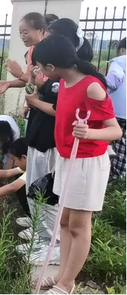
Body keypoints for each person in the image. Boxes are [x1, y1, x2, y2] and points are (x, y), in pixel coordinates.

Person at [31, 34, 122, 294]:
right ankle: (61, 275)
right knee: (64, 221)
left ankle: (68, 283)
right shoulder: (64, 82)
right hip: (67, 159)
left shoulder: (92, 86)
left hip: (87, 163)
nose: (39, 70)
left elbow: (115, 131)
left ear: (51, 67)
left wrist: (90, 134)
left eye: (40, 66)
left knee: (78, 226)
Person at [22, 17, 96, 265]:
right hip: (38, 137)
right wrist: (32, 83)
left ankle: (52, 243)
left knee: (50, 193)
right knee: (35, 188)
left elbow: (59, 110)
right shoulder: (54, 76)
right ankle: (42, 236)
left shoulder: (71, 79)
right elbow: (35, 95)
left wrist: (34, 102)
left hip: (53, 143)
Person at [0, 12, 49, 95]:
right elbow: (29, 79)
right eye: (20, 33)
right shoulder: (32, 50)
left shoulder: (49, 51)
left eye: (25, 33)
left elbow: (47, 86)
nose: (22, 36)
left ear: (40, 31)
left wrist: (20, 75)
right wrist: (9, 83)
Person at [107, 37, 126, 180]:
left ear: (121, 50)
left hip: (118, 112)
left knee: (115, 142)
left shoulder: (119, 61)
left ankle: (115, 175)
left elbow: (112, 81)